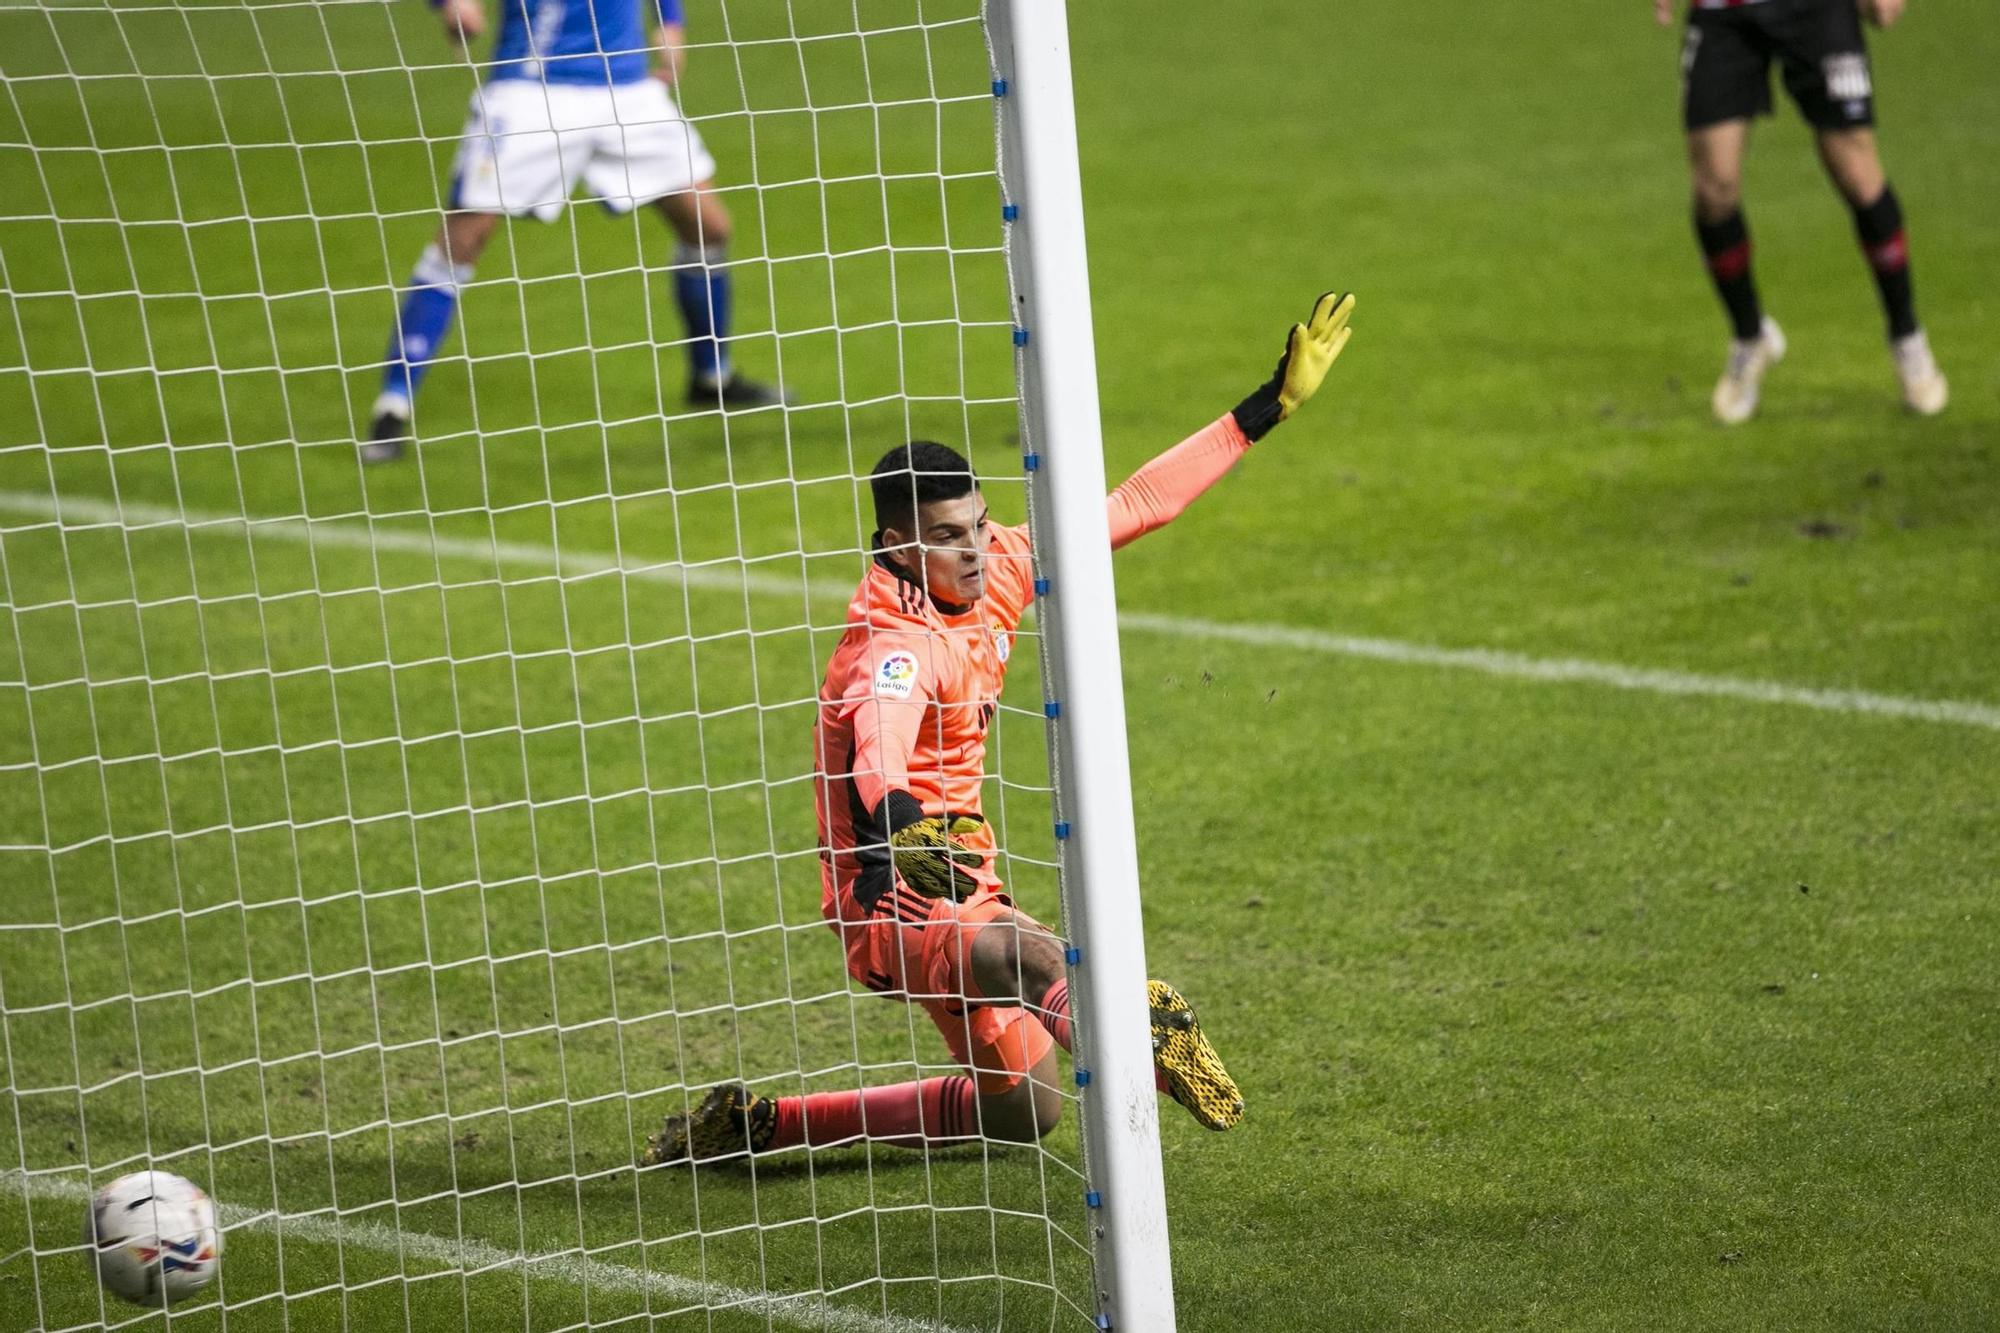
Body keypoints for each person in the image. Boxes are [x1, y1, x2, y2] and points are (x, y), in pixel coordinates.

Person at [640, 292, 1356, 1164]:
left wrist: (1264, 408)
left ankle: (762, 1124)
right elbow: (879, 749)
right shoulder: (894, 644)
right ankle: (1137, 1027)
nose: (977, 550)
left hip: (965, 876)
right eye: (950, 538)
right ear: (898, 545)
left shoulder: (1002, 565)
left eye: (979, 523)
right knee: (1037, 960)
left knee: (1027, 1115)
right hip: (891, 889)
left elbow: (1135, 503)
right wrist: (900, 827)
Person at [362, 0, 786, 464]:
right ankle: (392, 406)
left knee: (708, 227)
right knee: (463, 240)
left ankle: (712, 379)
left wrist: (671, 24)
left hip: (626, 90)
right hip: (533, 88)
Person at [1658, 0, 1948, 423]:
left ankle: (1907, 337)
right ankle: (1749, 335)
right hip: (1724, 12)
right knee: (1713, 188)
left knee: (1856, 174)